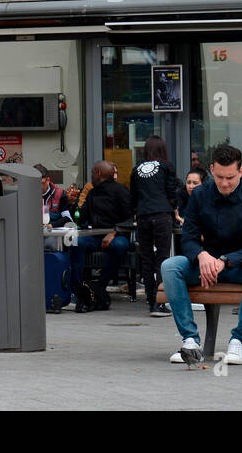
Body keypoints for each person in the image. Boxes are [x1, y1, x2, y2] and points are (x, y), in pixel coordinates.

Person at [160, 144, 242, 366]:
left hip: (241, 266)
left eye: (230, 177)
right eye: (219, 176)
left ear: (241, 171)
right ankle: (190, 341)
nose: (224, 183)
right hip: (206, 266)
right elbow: (189, 238)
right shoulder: (200, 194)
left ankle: (238, 341)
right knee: (170, 265)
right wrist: (202, 256)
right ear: (211, 170)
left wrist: (225, 261)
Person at [70, 160, 132, 312]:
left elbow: (130, 219)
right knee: (75, 242)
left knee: (120, 245)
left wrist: (114, 232)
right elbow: (82, 217)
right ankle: (78, 289)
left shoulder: (120, 191)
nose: (91, 175)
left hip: (116, 235)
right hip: (95, 235)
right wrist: (73, 203)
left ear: (98, 173)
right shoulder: (92, 193)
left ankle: (100, 285)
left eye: (92, 172)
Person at [131, 136, 181, 317]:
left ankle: (151, 300)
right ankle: (159, 303)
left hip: (143, 215)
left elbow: (133, 195)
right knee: (162, 259)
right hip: (162, 214)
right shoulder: (166, 166)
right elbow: (171, 190)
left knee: (146, 259)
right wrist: (174, 207)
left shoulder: (137, 168)